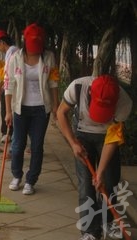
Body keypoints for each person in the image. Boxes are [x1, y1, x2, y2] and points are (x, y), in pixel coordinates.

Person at [57, 75, 132, 240]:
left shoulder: (124, 103)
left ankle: (107, 221)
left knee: (110, 180)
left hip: (106, 137)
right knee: (86, 184)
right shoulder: (77, 87)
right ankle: (89, 230)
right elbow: (60, 113)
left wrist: (101, 172)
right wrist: (73, 143)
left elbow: (112, 140)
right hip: (82, 135)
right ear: (90, 92)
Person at [4, 23, 60, 195]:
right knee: (18, 144)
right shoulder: (15, 58)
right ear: (25, 41)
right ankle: (16, 175)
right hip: (21, 108)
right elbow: (9, 84)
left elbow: (53, 83)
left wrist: (56, 107)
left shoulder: (49, 57)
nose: (35, 50)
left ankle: (31, 180)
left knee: (37, 146)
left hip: (41, 110)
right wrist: (8, 111)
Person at [0, 30, 18, 143]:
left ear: (2, 42)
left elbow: (8, 74)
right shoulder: (14, 50)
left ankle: (10, 135)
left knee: (8, 110)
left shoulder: (11, 52)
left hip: (13, 87)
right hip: (14, 85)